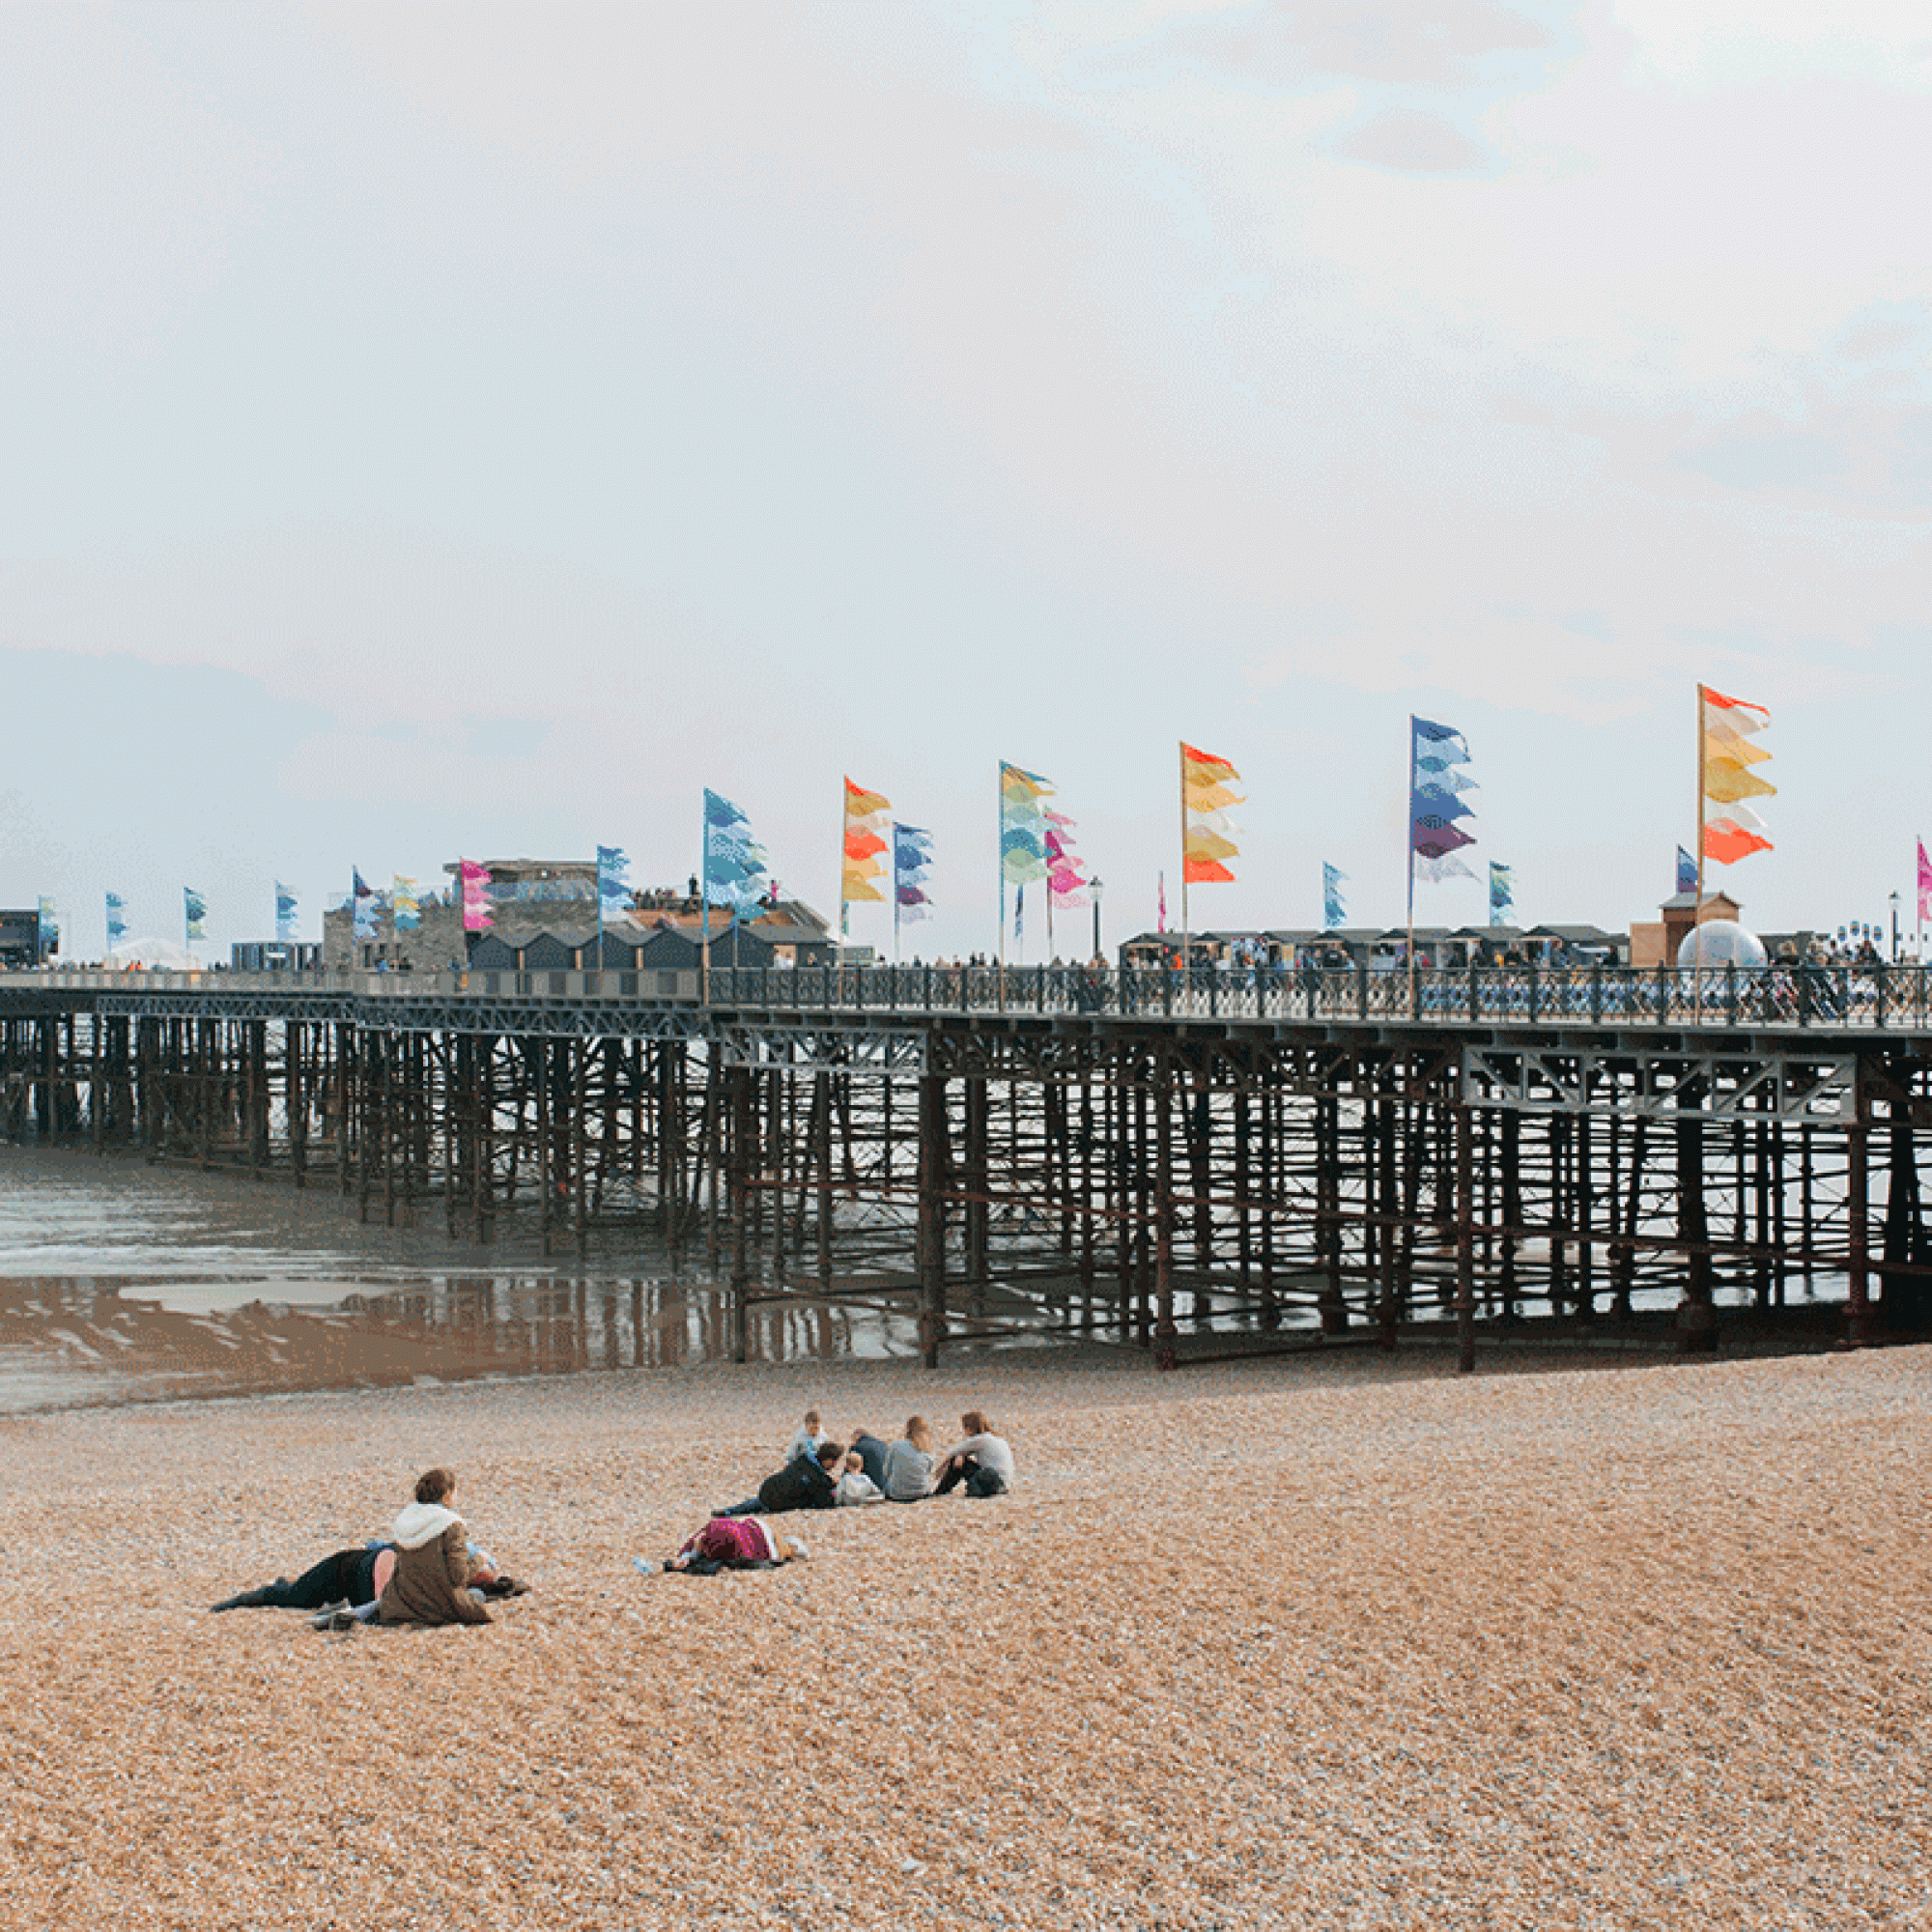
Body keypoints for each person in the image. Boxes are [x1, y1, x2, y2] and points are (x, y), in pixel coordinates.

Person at [377, 1466, 496, 1627]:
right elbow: (459, 1577)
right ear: (447, 1494)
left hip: (400, 1604)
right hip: (437, 1607)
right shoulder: (451, 1524)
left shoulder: (405, 1520)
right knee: (478, 1595)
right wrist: (479, 1560)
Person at [211, 1543, 398, 1615]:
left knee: (299, 1593)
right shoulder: (401, 1552)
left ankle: (286, 1586)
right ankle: (244, 1600)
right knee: (296, 1598)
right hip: (345, 1570)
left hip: (363, 1573)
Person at [716, 1439, 846, 1517]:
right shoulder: (817, 1479)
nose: (834, 1465)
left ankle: (728, 1511)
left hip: (768, 1487)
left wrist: (828, 1481)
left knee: (756, 1503)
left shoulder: (803, 1459)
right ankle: (728, 1512)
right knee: (760, 1505)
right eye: (834, 1461)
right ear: (827, 1459)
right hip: (778, 1502)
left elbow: (807, 1475)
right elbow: (821, 1500)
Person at [659, 1517, 809, 1575]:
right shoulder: (709, 1532)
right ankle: (789, 1545)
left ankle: (792, 1548)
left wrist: (691, 1556)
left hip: (762, 1540)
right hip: (754, 1525)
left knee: (781, 1551)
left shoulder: (713, 1547)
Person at [932, 1410, 1015, 1498]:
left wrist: (940, 1469)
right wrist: (961, 1456)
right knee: (960, 1459)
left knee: (956, 1461)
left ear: (969, 1428)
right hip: (1004, 1483)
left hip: (993, 1481)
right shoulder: (997, 1438)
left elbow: (953, 1452)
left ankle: (940, 1492)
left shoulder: (980, 1439)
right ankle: (941, 1491)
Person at [882, 1415, 936, 1502]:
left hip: (897, 1494)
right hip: (921, 1493)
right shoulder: (927, 1449)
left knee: (886, 1486)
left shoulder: (896, 1445)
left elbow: (886, 1472)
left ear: (908, 1429)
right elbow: (928, 1473)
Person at [846, 1426, 890, 1491]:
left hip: (872, 1486)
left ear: (857, 1437)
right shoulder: (884, 1445)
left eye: (853, 1440)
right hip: (887, 1486)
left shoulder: (857, 1446)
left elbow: (850, 1467)